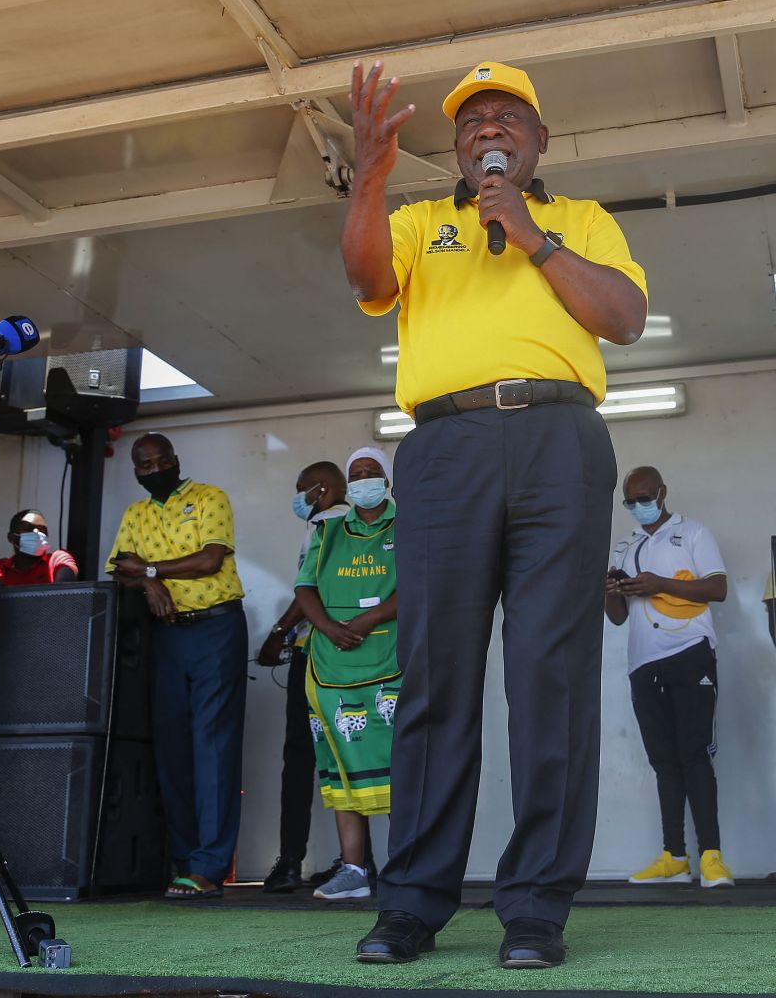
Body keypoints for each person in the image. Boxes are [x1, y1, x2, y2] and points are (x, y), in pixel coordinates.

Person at [341, 60, 647, 967]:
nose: (487, 132)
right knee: (435, 676)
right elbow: (362, 279)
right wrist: (368, 173)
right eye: (471, 122)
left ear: (539, 140)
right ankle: (412, 903)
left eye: (506, 118)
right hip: (444, 447)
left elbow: (624, 318)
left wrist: (532, 236)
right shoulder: (416, 222)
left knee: (550, 676)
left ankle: (536, 908)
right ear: (459, 147)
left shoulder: (582, 222)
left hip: (561, 441)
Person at [108, 433, 246, 900]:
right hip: (165, 636)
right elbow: (119, 569)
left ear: (175, 460)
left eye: (159, 461)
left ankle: (210, 866)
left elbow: (209, 560)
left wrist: (149, 573)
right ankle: (186, 862)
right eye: (142, 465)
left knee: (213, 746)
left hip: (216, 629)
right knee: (172, 749)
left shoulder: (210, 497)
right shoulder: (135, 514)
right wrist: (147, 586)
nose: (152, 470)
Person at [605, 466, 732, 888]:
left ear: (662, 492)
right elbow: (619, 619)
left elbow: (717, 589)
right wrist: (610, 593)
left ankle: (711, 857)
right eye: (630, 501)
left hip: (690, 653)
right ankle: (674, 856)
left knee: (695, 755)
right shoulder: (624, 547)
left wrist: (659, 584)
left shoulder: (692, 533)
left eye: (645, 497)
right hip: (643, 662)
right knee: (663, 761)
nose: (638, 506)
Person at [294, 448, 400, 901]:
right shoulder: (327, 529)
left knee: (402, 767)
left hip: (389, 664)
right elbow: (304, 586)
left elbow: (421, 584)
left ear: (388, 481)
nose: (362, 480)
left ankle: (408, 868)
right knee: (339, 765)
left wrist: (366, 620)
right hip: (330, 663)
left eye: (371, 473)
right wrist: (329, 627)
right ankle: (354, 871)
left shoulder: (408, 525)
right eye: (356, 474)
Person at [259, 461, 349, 893]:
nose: (298, 499)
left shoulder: (326, 524)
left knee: (300, 758)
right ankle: (357, 862)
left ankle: (290, 862)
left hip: (313, 652)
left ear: (321, 487)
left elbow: (306, 588)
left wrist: (277, 634)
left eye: (301, 490)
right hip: (347, 658)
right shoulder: (357, 526)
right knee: (349, 755)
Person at [0, 509, 78, 586]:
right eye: (28, 528)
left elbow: (64, 588)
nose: (37, 532)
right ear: (11, 538)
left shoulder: (56, 559)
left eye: (42, 529)